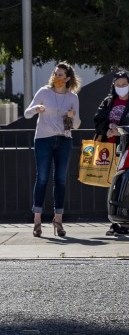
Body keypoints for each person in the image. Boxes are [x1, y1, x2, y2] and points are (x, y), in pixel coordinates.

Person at [23, 62, 81, 238]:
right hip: (43, 140)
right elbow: (26, 113)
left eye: (60, 75)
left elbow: (77, 125)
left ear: (67, 78)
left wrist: (73, 116)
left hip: (64, 140)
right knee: (42, 178)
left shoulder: (72, 97)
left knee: (61, 179)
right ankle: (37, 221)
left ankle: (58, 220)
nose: (56, 77)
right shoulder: (44, 92)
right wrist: (36, 108)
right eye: (55, 74)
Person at [93, 71, 129, 236]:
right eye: (118, 85)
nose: (121, 88)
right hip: (108, 150)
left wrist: (120, 131)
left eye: (124, 85)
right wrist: (108, 129)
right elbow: (98, 120)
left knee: (123, 186)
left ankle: (124, 223)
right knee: (111, 186)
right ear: (114, 86)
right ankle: (114, 222)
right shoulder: (108, 102)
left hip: (126, 150)